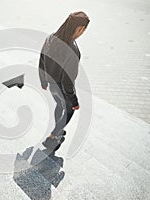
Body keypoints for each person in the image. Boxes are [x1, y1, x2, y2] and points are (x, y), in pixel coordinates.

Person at [39, 11, 90, 150]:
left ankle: (58, 131)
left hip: (51, 85)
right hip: (61, 87)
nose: (83, 32)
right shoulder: (73, 49)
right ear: (79, 28)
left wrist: (43, 80)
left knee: (59, 105)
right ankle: (54, 136)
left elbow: (42, 58)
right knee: (69, 110)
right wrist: (74, 100)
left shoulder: (51, 37)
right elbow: (67, 80)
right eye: (84, 29)